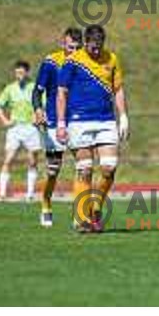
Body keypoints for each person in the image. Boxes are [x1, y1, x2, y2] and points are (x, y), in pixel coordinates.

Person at [56, 25, 130, 232]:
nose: (96, 51)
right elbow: (61, 93)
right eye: (92, 47)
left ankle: (95, 208)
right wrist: (61, 124)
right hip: (79, 121)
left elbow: (118, 89)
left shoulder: (112, 59)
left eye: (99, 47)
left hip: (105, 120)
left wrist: (123, 116)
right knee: (85, 169)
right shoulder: (73, 61)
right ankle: (81, 219)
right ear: (85, 42)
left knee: (109, 167)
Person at [32, 27, 83, 227]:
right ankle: (45, 203)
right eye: (71, 47)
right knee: (53, 170)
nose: (74, 51)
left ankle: (79, 212)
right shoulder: (51, 62)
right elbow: (37, 91)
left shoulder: (85, 62)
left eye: (78, 47)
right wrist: (38, 110)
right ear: (63, 44)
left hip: (79, 120)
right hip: (54, 120)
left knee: (83, 167)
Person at [0, 61, 41, 202]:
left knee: (32, 161)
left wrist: (37, 117)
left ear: (27, 72)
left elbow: (43, 105)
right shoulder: (10, 89)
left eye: (21, 72)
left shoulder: (34, 88)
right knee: (8, 160)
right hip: (15, 128)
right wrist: (5, 121)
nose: (19, 75)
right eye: (17, 72)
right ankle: (2, 194)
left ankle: (30, 194)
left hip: (31, 128)